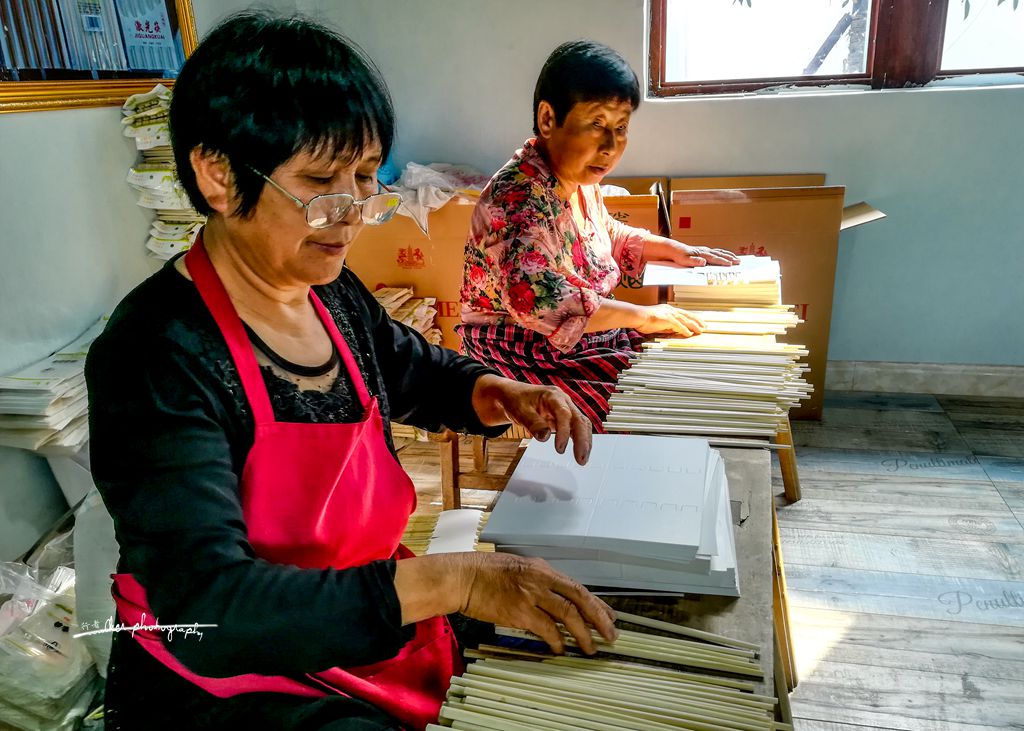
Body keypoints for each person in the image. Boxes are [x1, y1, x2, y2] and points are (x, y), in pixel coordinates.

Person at [86, 13, 616, 731]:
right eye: (319, 181)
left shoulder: (330, 290)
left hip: (358, 607)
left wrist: (490, 390)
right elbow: (211, 609)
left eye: (365, 177)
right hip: (234, 670)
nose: (354, 216)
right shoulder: (157, 352)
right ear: (217, 174)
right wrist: (453, 579)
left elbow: (406, 364)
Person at [459, 40, 738, 429]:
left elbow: (602, 233)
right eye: (597, 124)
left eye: (621, 128)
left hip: (570, 337)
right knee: (646, 403)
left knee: (680, 366)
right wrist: (642, 316)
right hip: (518, 348)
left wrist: (667, 248)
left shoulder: (576, 179)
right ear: (547, 119)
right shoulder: (516, 199)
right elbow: (540, 301)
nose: (610, 146)